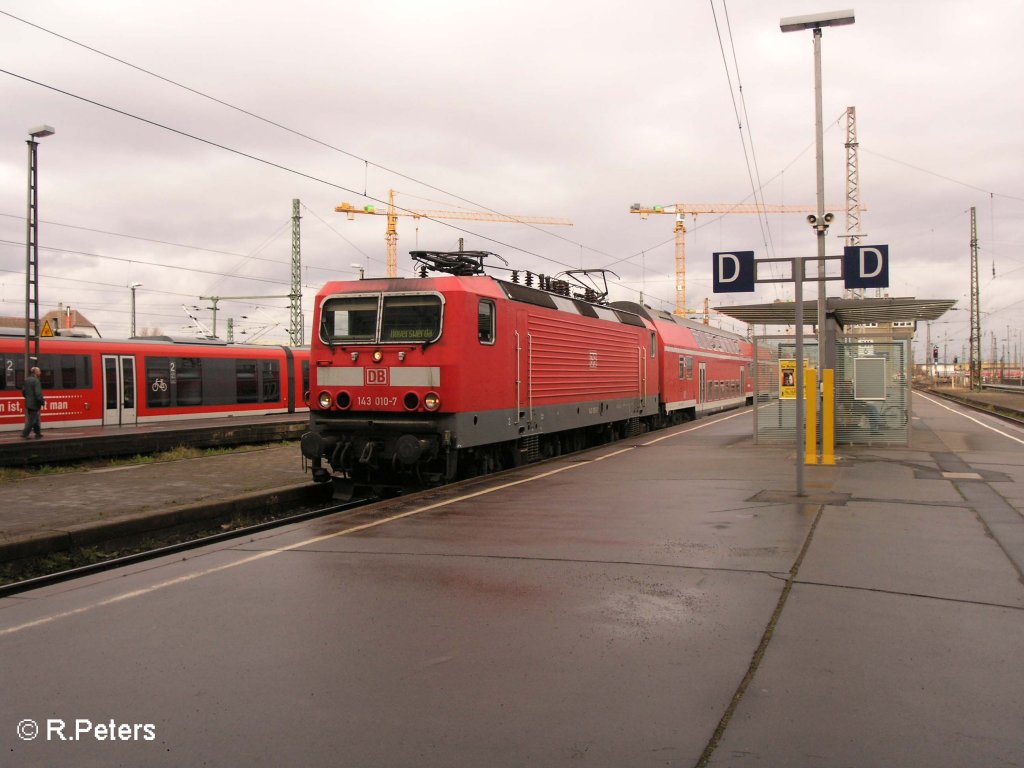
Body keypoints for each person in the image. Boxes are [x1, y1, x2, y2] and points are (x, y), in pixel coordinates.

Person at [21, 366, 44, 439]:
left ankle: (38, 433)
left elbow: (23, 391)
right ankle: (25, 434)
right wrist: (42, 401)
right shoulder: (36, 381)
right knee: (32, 420)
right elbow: (38, 394)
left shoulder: (27, 380)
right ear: (36, 372)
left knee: (35, 418)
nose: (40, 373)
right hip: (34, 403)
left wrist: (28, 398)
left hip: (28, 403)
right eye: (39, 371)